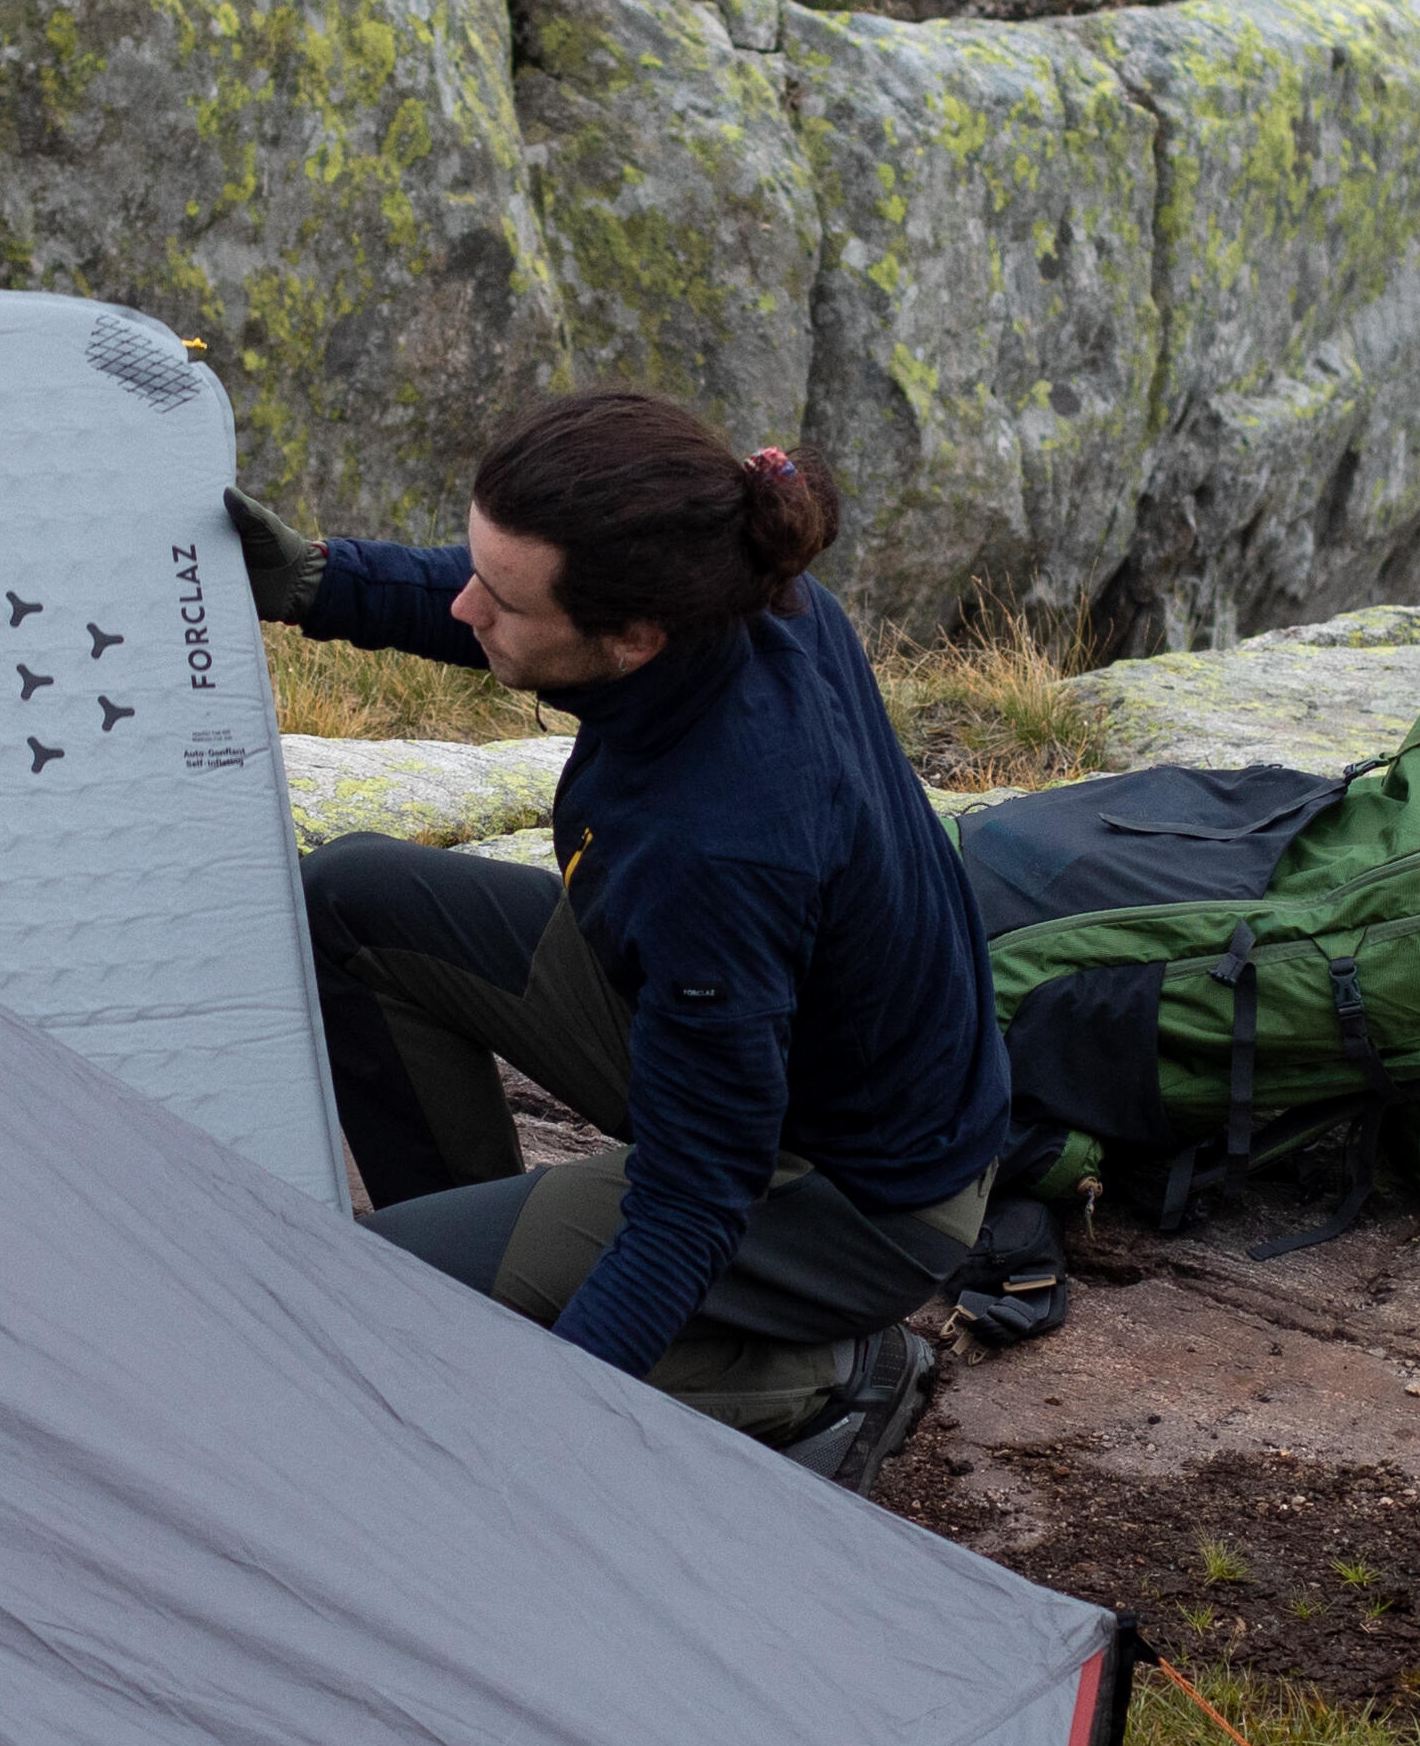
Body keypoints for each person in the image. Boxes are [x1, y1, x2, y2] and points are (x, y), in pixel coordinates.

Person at [245, 390, 1005, 1476]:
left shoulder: (719, 845)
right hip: (777, 1047)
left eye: (498, 594)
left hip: (854, 1196)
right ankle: (475, 1258)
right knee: (350, 899)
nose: (465, 605)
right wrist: (316, 580)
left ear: (635, 635)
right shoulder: (748, 594)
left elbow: (696, 1194)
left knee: (375, 1325)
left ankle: (822, 1375)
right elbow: (519, 624)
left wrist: (547, 1418)